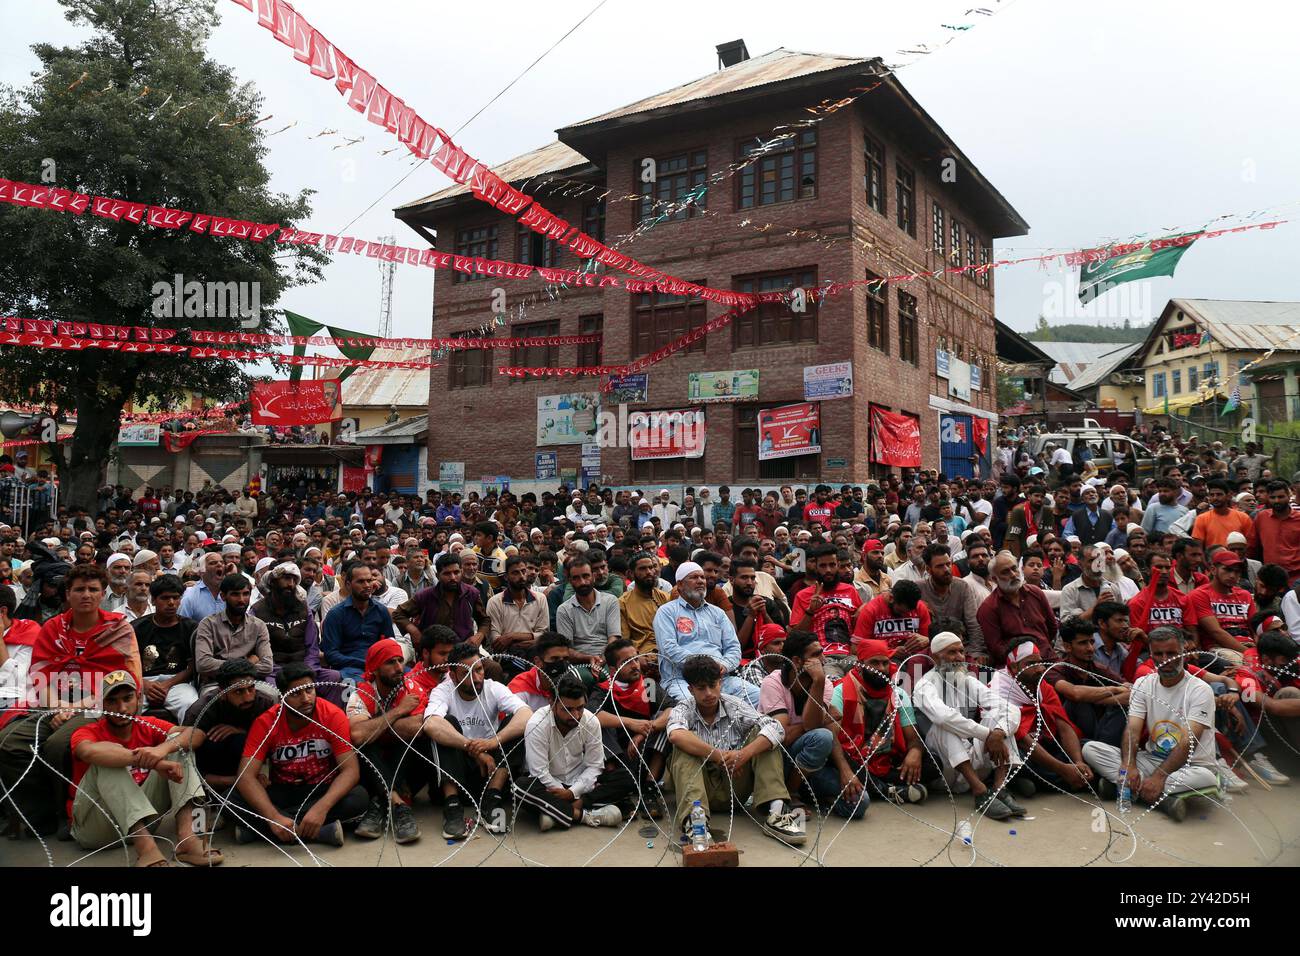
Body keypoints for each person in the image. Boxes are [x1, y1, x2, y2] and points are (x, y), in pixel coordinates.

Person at [0, 564, 140, 837]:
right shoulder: (53, 627)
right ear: (68, 593)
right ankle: (38, 815)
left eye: (92, 589)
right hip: (52, 703)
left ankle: (69, 812)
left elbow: (124, 680)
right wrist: (57, 707)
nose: (85, 594)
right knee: (9, 743)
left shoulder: (118, 627)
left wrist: (74, 707)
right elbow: (41, 673)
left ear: (102, 594)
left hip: (102, 705)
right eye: (79, 589)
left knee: (57, 745)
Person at [69, 670, 216, 866]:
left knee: (178, 744)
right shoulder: (87, 731)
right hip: (97, 826)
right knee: (107, 758)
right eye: (112, 701)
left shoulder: (147, 725)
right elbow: (88, 752)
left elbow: (195, 734)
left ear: (138, 698)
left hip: (145, 821)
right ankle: (146, 849)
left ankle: (186, 839)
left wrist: (161, 750)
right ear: (102, 705)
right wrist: (154, 762)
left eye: (127, 698)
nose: (122, 708)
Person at [1081, 627, 1221, 821]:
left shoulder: (1200, 690)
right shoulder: (1143, 684)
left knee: (1206, 779)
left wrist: (1159, 776)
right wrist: (1129, 765)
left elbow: (1189, 740)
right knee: (1091, 750)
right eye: (1158, 654)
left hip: (1191, 765)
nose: (1165, 660)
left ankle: (1125, 788)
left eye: (1171, 653)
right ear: (1151, 655)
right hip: (1151, 759)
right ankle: (1163, 800)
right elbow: (1132, 729)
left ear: (1184, 653)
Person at [666, 654, 807, 845]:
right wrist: (718, 756)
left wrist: (743, 754)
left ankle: (777, 811)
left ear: (720, 683)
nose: (708, 693)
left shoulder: (735, 705)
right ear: (691, 690)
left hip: (735, 783)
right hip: (699, 786)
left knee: (764, 734)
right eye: (701, 688)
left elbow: (776, 728)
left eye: (712, 685)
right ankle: (696, 822)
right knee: (682, 746)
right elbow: (675, 734)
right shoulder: (683, 708)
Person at [233, 662, 368, 846]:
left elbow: (350, 771)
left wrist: (322, 807)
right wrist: (274, 817)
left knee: (358, 796)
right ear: (283, 697)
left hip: (321, 788)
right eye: (296, 693)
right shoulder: (266, 722)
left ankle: (260, 830)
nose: (306, 699)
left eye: (309, 690)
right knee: (230, 798)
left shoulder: (332, 715)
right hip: (282, 790)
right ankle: (319, 832)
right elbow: (246, 776)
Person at [421, 643, 532, 840]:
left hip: (490, 772)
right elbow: (431, 725)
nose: (476, 677)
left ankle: (492, 799)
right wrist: (473, 749)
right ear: (453, 675)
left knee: (514, 725)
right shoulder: (443, 690)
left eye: (479, 669)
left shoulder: (494, 688)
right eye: (467, 672)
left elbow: (526, 714)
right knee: (446, 723)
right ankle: (452, 805)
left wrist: (493, 743)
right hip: (457, 770)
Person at [912, 631, 1024, 821]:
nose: (960, 657)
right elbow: (943, 717)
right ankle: (980, 793)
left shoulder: (968, 681)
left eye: (961, 651)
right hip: (946, 771)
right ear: (935, 657)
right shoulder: (924, 685)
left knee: (999, 720)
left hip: (972, 760)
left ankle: (999, 789)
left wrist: (997, 733)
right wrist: (986, 734)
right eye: (952, 652)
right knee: (944, 726)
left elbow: (1011, 708)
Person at [758, 630, 863, 819]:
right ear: (797, 661)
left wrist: (845, 770)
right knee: (821, 736)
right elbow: (784, 736)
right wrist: (822, 719)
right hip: (779, 761)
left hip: (810, 765)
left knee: (859, 803)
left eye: (822, 652)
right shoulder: (772, 683)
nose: (823, 659)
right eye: (815, 655)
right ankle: (790, 792)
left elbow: (819, 728)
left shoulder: (824, 684)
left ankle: (810, 793)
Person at [512, 673, 637, 831]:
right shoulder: (537, 724)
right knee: (520, 787)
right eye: (568, 709)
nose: (576, 715)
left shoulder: (590, 721)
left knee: (627, 778)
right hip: (549, 786)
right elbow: (539, 772)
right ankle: (584, 815)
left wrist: (572, 793)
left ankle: (555, 813)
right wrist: (564, 793)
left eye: (580, 708)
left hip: (580, 782)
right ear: (552, 703)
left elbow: (595, 765)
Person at [830, 640, 930, 804]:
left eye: (885, 662)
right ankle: (887, 790)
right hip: (855, 761)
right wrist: (846, 770)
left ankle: (878, 786)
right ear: (860, 665)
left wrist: (916, 752)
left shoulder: (898, 694)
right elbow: (832, 737)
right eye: (874, 663)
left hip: (886, 761)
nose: (882, 668)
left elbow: (912, 736)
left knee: (933, 764)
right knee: (833, 754)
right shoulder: (841, 691)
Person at [345, 638, 424, 844]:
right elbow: (358, 736)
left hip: (406, 767)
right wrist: (399, 712)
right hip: (372, 769)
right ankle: (397, 804)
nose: (399, 668)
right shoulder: (361, 694)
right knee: (362, 746)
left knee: (414, 740)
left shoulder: (411, 688)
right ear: (375, 669)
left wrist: (378, 727)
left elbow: (419, 728)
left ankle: (380, 802)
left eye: (400, 661)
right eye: (390, 662)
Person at [991, 643, 1093, 792]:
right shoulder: (999, 689)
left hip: (1046, 744)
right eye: (1031, 664)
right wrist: (1063, 769)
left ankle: (1057, 780)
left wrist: (1078, 761)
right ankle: (1073, 781)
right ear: (1014, 668)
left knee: (1087, 747)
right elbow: (1024, 740)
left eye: (1040, 662)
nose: (1041, 669)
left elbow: (1063, 727)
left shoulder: (1043, 687)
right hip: (1024, 748)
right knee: (1012, 754)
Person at [654, 562, 758, 706]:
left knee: (759, 696)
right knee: (691, 705)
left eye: (702, 577)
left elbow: (733, 647)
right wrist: (704, 665)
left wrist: (724, 665)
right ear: (680, 584)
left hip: (720, 679)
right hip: (683, 680)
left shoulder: (717, 613)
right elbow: (668, 648)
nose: (701, 581)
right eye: (694, 577)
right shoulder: (667, 612)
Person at [184, 659, 276, 790]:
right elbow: (186, 764)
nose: (248, 697)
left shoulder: (264, 704)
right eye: (239, 692)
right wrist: (232, 781)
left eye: (251, 689)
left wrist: (243, 732)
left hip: (251, 771)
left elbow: (274, 747)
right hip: (208, 778)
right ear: (222, 692)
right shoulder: (200, 711)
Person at [132, 575, 199, 721]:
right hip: (141, 681)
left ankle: (184, 743)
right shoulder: (136, 627)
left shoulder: (191, 627)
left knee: (190, 705)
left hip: (177, 682)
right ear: (153, 600)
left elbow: (193, 666)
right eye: (165, 598)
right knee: (127, 707)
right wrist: (145, 685)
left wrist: (167, 685)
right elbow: (127, 664)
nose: (171, 603)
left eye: (176, 598)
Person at [789, 545, 862, 678]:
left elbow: (861, 625)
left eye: (832, 565)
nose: (828, 570)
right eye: (822, 566)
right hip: (821, 657)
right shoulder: (803, 595)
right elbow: (796, 636)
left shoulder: (850, 591)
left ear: (838, 565)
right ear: (815, 567)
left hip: (850, 655)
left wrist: (863, 609)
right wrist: (811, 611)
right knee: (833, 686)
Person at [194, 575, 274, 692]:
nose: (241, 599)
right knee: (209, 700)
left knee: (272, 695)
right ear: (223, 596)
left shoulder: (258, 625)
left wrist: (227, 666)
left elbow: (267, 666)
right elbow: (203, 664)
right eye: (235, 594)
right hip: (216, 683)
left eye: (245, 594)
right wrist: (248, 662)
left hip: (250, 682)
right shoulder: (208, 624)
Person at [977, 551, 1058, 667]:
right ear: (995, 579)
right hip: (1018, 666)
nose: (1013, 575)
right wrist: (1026, 654)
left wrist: (1041, 650)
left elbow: (1052, 627)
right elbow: (996, 649)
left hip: (1048, 657)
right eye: (1005, 572)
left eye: (1014, 569)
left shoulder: (1036, 593)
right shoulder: (989, 608)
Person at [321, 563, 396, 681]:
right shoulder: (336, 615)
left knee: (409, 678)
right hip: (350, 669)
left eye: (369, 580)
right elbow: (331, 655)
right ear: (348, 585)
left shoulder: (381, 611)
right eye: (361, 582)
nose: (367, 585)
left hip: (380, 666)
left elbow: (390, 644)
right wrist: (362, 663)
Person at [392, 553, 487, 646]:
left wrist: (479, 635)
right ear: (438, 576)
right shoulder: (425, 596)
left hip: (464, 650)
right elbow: (398, 614)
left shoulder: (471, 593)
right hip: (433, 650)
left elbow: (484, 620)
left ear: (461, 572)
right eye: (447, 574)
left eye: (456, 572)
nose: (453, 577)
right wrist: (414, 631)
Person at [1185, 551, 1257, 667]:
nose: (1233, 575)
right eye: (1227, 570)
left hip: (1250, 646)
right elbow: (1216, 632)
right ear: (1213, 570)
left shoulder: (1245, 595)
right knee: (1246, 665)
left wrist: (1261, 651)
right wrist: (1250, 654)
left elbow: (1255, 629)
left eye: (1237, 571)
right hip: (1219, 649)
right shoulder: (1200, 595)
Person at [918, 544, 985, 659]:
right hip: (931, 650)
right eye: (940, 566)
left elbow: (973, 624)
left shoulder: (962, 586)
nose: (946, 569)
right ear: (928, 569)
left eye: (948, 564)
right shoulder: (918, 589)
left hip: (961, 649)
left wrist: (976, 653)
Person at [555, 555, 621, 664]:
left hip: (609, 657)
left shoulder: (610, 601)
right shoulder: (564, 610)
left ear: (593, 577)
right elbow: (566, 649)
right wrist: (588, 658)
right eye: (576, 578)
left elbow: (613, 638)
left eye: (586, 576)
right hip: (579, 662)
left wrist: (602, 659)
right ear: (570, 581)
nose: (582, 582)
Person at [485, 555, 548, 664]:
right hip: (506, 655)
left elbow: (543, 634)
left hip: (534, 651)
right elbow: (496, 641)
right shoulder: (495, 602)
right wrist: (530, 639)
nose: (522, 576)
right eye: (515, 573)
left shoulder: (540, 599)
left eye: (523, 571)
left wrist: (512, 636)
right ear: (506, 577)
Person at [1251, 479, 1300, 582]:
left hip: (1296, 577)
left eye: (1281, 497)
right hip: (1270, 577)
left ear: (1288, 496)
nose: (1277, 501)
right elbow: (1252, 546)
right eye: (1272, 497)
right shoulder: (1261, 517)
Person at [1192, 478, 1256, 550]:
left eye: (1219, 494)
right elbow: (1198, 547)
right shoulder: (1201, 519)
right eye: (1212, 495)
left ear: (1228, 496)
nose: (1215, 498)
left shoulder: (1243, 517)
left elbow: (1251, 545)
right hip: (1213, 560)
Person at [178, 551, 226, 623]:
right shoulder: (189, 596)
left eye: (222, 562)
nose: (219, 564)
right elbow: (182, 627)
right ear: (201, 571)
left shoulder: (230, 591)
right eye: (212, 563)